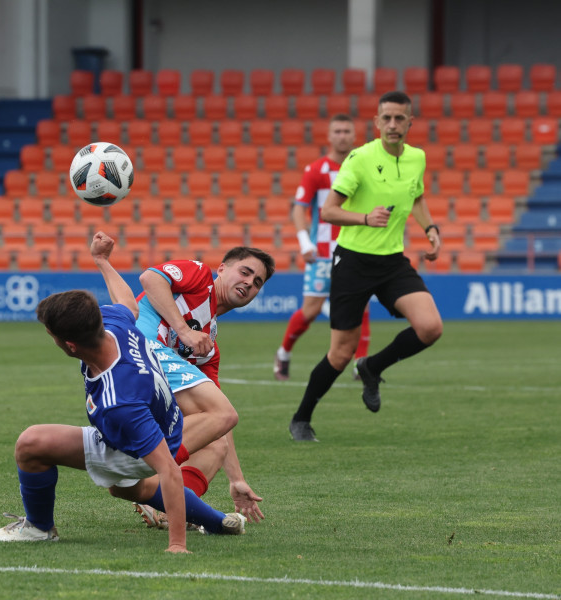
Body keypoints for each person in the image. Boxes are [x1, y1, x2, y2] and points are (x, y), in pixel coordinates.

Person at [0, 241, 247, 552]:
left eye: (50, 335)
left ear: (70, 346)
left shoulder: (119, 401)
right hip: (160, 420)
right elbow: (128, 302)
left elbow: (169, 470)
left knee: (31, 444)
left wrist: (177, 544)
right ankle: (219, 523)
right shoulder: (114, 326)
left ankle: (38, 528)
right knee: (129, 489)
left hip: (132, 443)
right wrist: (102, 261)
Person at [89, 231, 275, 527]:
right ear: (223, 268)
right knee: (223, 412)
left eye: (257, 283)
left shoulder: (208, 346)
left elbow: (217, 419)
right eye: (245, 272)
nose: (249, 284)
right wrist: (183, 329)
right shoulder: (199, 275)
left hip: (138, 377)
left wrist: (236, 479)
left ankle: (165, 505)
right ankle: (134, 465)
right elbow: (151, 279)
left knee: (216, 444)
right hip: (139, 352)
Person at [289, 90, 443, 442]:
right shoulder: (359, 158)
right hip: (353, 262)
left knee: (431, 327)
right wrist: (363, 218)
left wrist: (430, 228)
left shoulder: (417, 158)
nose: (392, 124)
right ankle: (301, 418)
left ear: (409, 122)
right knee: (340, 352)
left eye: (399, 118)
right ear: (376, 123)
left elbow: (417, 196)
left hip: (392, 262)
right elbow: (327, 211)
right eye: (386, 118)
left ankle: (372, 367)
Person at [274, 114, 371, 383]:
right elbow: (299, 209)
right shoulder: (316, 170)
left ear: (354, 136)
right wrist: (305, 243)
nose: (342, 136)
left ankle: (360, 364)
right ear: (329, 136)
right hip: (322, 253)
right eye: (337, 131)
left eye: (346, 131)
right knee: (311, 310)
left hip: (355, 250)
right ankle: (283, 353)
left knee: (361, 308)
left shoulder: (363, 168)